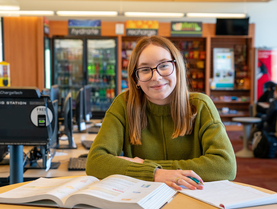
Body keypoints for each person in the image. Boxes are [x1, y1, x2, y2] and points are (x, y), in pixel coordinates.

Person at [86, 36, 236, 191]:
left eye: (164, 65)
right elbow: (95, 163)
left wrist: (146, 166)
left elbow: (225, 166)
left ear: (177, 68)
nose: (156, 77)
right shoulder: (123, 105)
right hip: (142, 203)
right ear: (135, 78)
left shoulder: (201, 105)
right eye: (145, 70)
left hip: (194, 201)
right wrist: (155, 173)